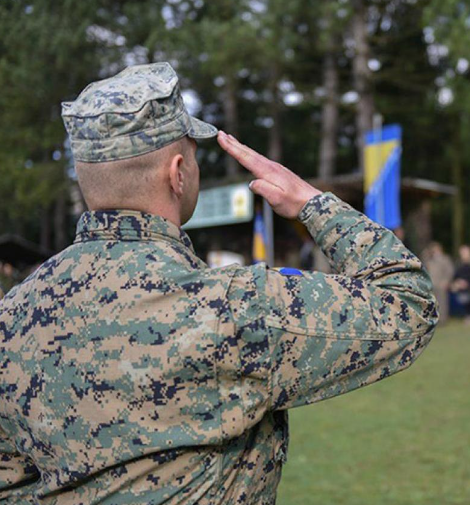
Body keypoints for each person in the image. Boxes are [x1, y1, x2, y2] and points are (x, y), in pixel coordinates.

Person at [0, 63, 438, 504]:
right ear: (178, 173)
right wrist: (311, 203)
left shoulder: (11, 315)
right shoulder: (232, 304)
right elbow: (407, 302)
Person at [423, 242, 455, 324]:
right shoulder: (429, 260)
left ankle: (443, 319)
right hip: (431, 285)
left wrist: (446, 281)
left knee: (442, 302)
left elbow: (449, 271)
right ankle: (433, 318)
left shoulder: (445, 259)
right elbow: (424, 268)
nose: (434, 251)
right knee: (432, 303)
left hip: (441, 284)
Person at [451, 244, 470, 325]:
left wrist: (466, 282)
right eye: (462, 252)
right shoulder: (458, 263)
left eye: (465, 252)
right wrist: (456, 282)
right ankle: (467, 315)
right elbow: (455, 274)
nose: (463, 254)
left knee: (469, 299)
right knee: (463, 299)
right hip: (460, 285)